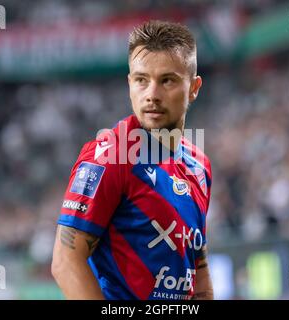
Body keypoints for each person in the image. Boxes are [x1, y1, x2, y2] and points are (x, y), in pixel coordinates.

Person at [51, 20, 214, 300]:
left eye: (167, 80)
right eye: (142, 80)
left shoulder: (200, 166)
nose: (152, 94)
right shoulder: (110, 155)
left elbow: (197, 263)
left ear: (194, 88)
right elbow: (66, 261)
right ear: (130, 84)